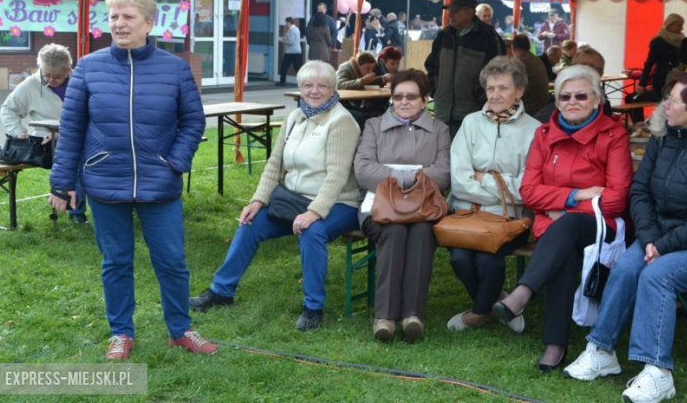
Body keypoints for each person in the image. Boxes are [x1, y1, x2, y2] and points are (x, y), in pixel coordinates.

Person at [48, 0, 215, 360]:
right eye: (113, 17)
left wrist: (175, 162)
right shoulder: (88, 68)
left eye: (128, 17)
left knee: (172, 260)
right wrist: (62, 183)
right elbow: (72, 128)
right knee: (116, 262)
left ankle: (180, 329)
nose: (119, 24)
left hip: (161, 184)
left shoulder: (174, 69)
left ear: (149, 23)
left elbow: (193, 121)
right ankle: (121, 332)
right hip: (105, 183)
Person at [564, 73, 687, 402]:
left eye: (672, 100)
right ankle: (601, 351)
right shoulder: (663, 137)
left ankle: (657, 372)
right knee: (625, 268)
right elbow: (640, 193)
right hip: (660, 237)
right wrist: (651, 238)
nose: (664, 104)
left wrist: (663, 246)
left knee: (657, 275)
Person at [190, 61, 361, 332]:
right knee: (249, 223)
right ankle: (221, 292)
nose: (314, 91)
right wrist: (257, 201)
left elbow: (338, 175)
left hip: (339, 202)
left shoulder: (342, 121)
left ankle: (313, 307)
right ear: (300, 88)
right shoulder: (296, 117)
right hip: (294, 199)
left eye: (322, 85)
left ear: (333, 88)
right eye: (308, 85)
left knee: (312, 232)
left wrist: (314, 212)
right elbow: (274, 163)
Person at [493, 65, 633, 373]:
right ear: (556, 102)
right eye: (565, 96)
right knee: (563, 248)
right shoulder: (543, 135)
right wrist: (576, 196)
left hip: (597, 225)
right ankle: (555, 343)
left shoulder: (614, 135)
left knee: (565, 226)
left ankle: (523, 295)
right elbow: (529, 191)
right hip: (556, 225)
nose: (572, 101)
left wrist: (563, 207)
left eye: (581, 95)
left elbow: (616, 199)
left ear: (597, 100)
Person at [354, 69, 450, 343]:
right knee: (393, 232)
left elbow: (444, 171)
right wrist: (412, 177)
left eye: (411, 96)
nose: (403, 102)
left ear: (425, 99)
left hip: (423, 209)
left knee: (421, 233)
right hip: (379, 208)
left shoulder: (439, 130)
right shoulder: (373, 126)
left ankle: (412, 315)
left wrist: (393, 177)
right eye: (397, 97)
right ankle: (384, 317)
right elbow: (362, 170)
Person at [446, 57, 540, 331]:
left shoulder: (534, 130)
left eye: (503, 88)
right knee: (460, 258)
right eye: (490, 88)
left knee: (489, 260)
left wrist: (482, 178)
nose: (495, 95)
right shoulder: (471, 123)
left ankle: (477, 314)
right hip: (465, 213)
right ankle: (500, 301)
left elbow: (525, 189)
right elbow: (459, 180)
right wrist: (501, 185)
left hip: (509, 219)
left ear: (519, 91)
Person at [1, 43, 88, 223]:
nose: (49, 80)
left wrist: (61, 133)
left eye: (56, 76)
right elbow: (8, 109)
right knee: (77, 163)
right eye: (45, 74)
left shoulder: (80, 83)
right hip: (46, 144)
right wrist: (18, 131)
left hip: (82, 137)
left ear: (68, 70)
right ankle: (76, 212)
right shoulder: (30, 84)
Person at [424, 0, 503, 139]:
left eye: (455, 11)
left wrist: (479, 97)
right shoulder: (444, 36)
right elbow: (431, 65)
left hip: (472, 113)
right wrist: (436, 90)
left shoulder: (488, 37)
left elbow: (499, 73)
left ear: (469, 13)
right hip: (443, 112)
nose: (450, 15)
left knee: (467, 159)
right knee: (442, 157)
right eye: (450, 11)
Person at [627, 14, 684, 123]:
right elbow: (649, 63)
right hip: (661, 81)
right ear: (670, 25)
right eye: (679, 25)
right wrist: (641, 84)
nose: (682, 28)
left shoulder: (682, 41)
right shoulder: (658, 41)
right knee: (635, 99)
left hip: (676, 79)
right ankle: (639, 125)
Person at [510, 34, 550, 117]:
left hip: (528, 110)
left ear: (513, 49)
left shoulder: (518, 62)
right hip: (541, 107)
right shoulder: (536, 59)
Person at [277, 17, 302, 86]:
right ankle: (304, 79)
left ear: (289, 22)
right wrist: (285, 38)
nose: (286, 24)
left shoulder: (291, 30)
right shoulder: (297, 29)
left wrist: (283, 41)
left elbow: (291, 42)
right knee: (297, 67)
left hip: (290, 52)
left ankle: (282, 81)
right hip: (297, 51)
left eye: (286, 23)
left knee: (284, 66)